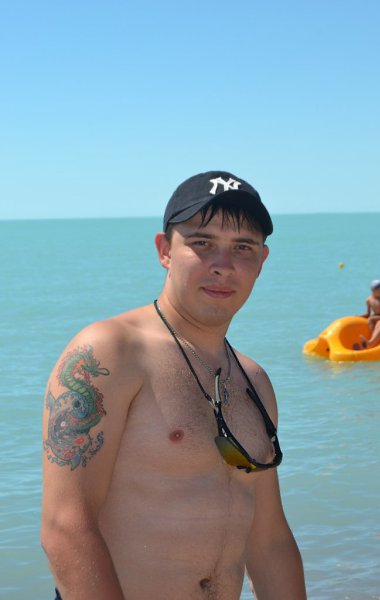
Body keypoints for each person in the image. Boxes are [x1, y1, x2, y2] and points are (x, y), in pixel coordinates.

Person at [41, 170, 307, 600]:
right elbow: (66, 527)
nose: (222, 265)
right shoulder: (110, 352)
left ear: (262, 260)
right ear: (164, 250)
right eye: (202, 243)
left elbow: (269, 540)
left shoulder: (253, 381)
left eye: (242, 247)